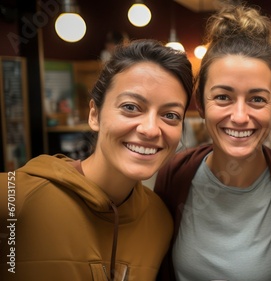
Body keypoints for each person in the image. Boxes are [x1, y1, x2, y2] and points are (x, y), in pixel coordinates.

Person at [0, 39, 193, 280]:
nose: (151, 129)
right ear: (95, 115)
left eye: (171, 115)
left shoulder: (160, 222)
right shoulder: (15, 196)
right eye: (131, 107)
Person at [154, 4, 271, 281]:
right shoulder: (175, 173)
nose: (240, 117)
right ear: (201, 105)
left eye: (257, 99)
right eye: (223, 97)